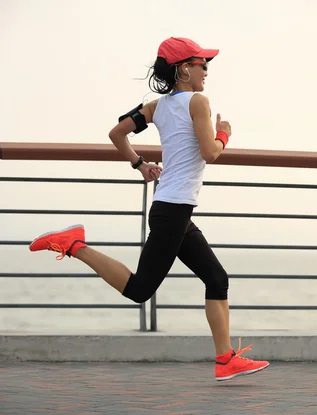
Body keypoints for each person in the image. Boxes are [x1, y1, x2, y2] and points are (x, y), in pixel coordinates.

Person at [28, 37, 269, 381]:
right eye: (203, 65)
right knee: (141, 290)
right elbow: (210, 153)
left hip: (174, 209)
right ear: (184, 68)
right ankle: (73, 244)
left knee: (217, 278)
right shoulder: (198, 102)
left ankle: (225, 359)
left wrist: (140, 164)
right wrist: (224, 133)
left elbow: (117, 133)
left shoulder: (157, 107)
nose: (206, 72)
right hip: (172, 210)